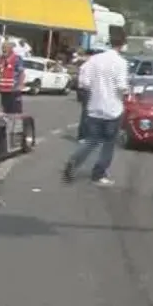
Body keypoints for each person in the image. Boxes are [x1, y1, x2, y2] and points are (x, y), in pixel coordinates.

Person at [62, 26, 129, 186]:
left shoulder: (95, 59)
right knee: (108, 144)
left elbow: (84, 82)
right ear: (122, 44)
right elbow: (121, 86)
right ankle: (98, 175)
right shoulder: (121, 63)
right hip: (112, 109)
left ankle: (74, 160)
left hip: (94, 107)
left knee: (91, 141)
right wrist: (127, 92)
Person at [0, 41, 25, 114]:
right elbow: (0, 70)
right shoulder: (1, 58)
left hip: (13, 90)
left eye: (5, 48)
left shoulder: (16, 58)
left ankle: (14, 124)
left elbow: (21, 72)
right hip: (3, 90)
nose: (3, 49)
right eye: (2, 48)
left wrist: (20, 85)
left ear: (11, 48)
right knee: (5, 111)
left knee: (14, 111)